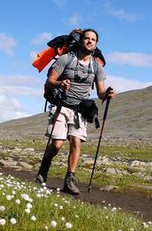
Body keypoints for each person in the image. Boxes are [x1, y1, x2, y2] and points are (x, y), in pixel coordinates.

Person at [36, 29, 116, 194]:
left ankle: (70, 180)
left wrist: (107, 94)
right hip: (61, 105)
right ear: (81, 41)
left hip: (80, 109)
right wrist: (60, 84)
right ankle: (44, 166)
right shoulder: (66, 59)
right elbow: (50, 80)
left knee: (76, 141)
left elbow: (100, 93)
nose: (89, 41)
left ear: (96, 44)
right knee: (57, 144)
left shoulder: (97, 67)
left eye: (93, 39)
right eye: (87, 38)